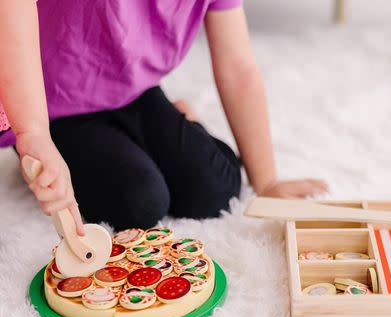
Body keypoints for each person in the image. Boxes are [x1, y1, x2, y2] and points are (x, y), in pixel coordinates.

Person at [0, 0, 327, 233]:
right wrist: (33, 135)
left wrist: (267, 182)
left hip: (134, 90)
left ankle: (182, 119)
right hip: (52, 105)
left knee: (215, 188)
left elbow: (238, 67)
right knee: (140, 202)